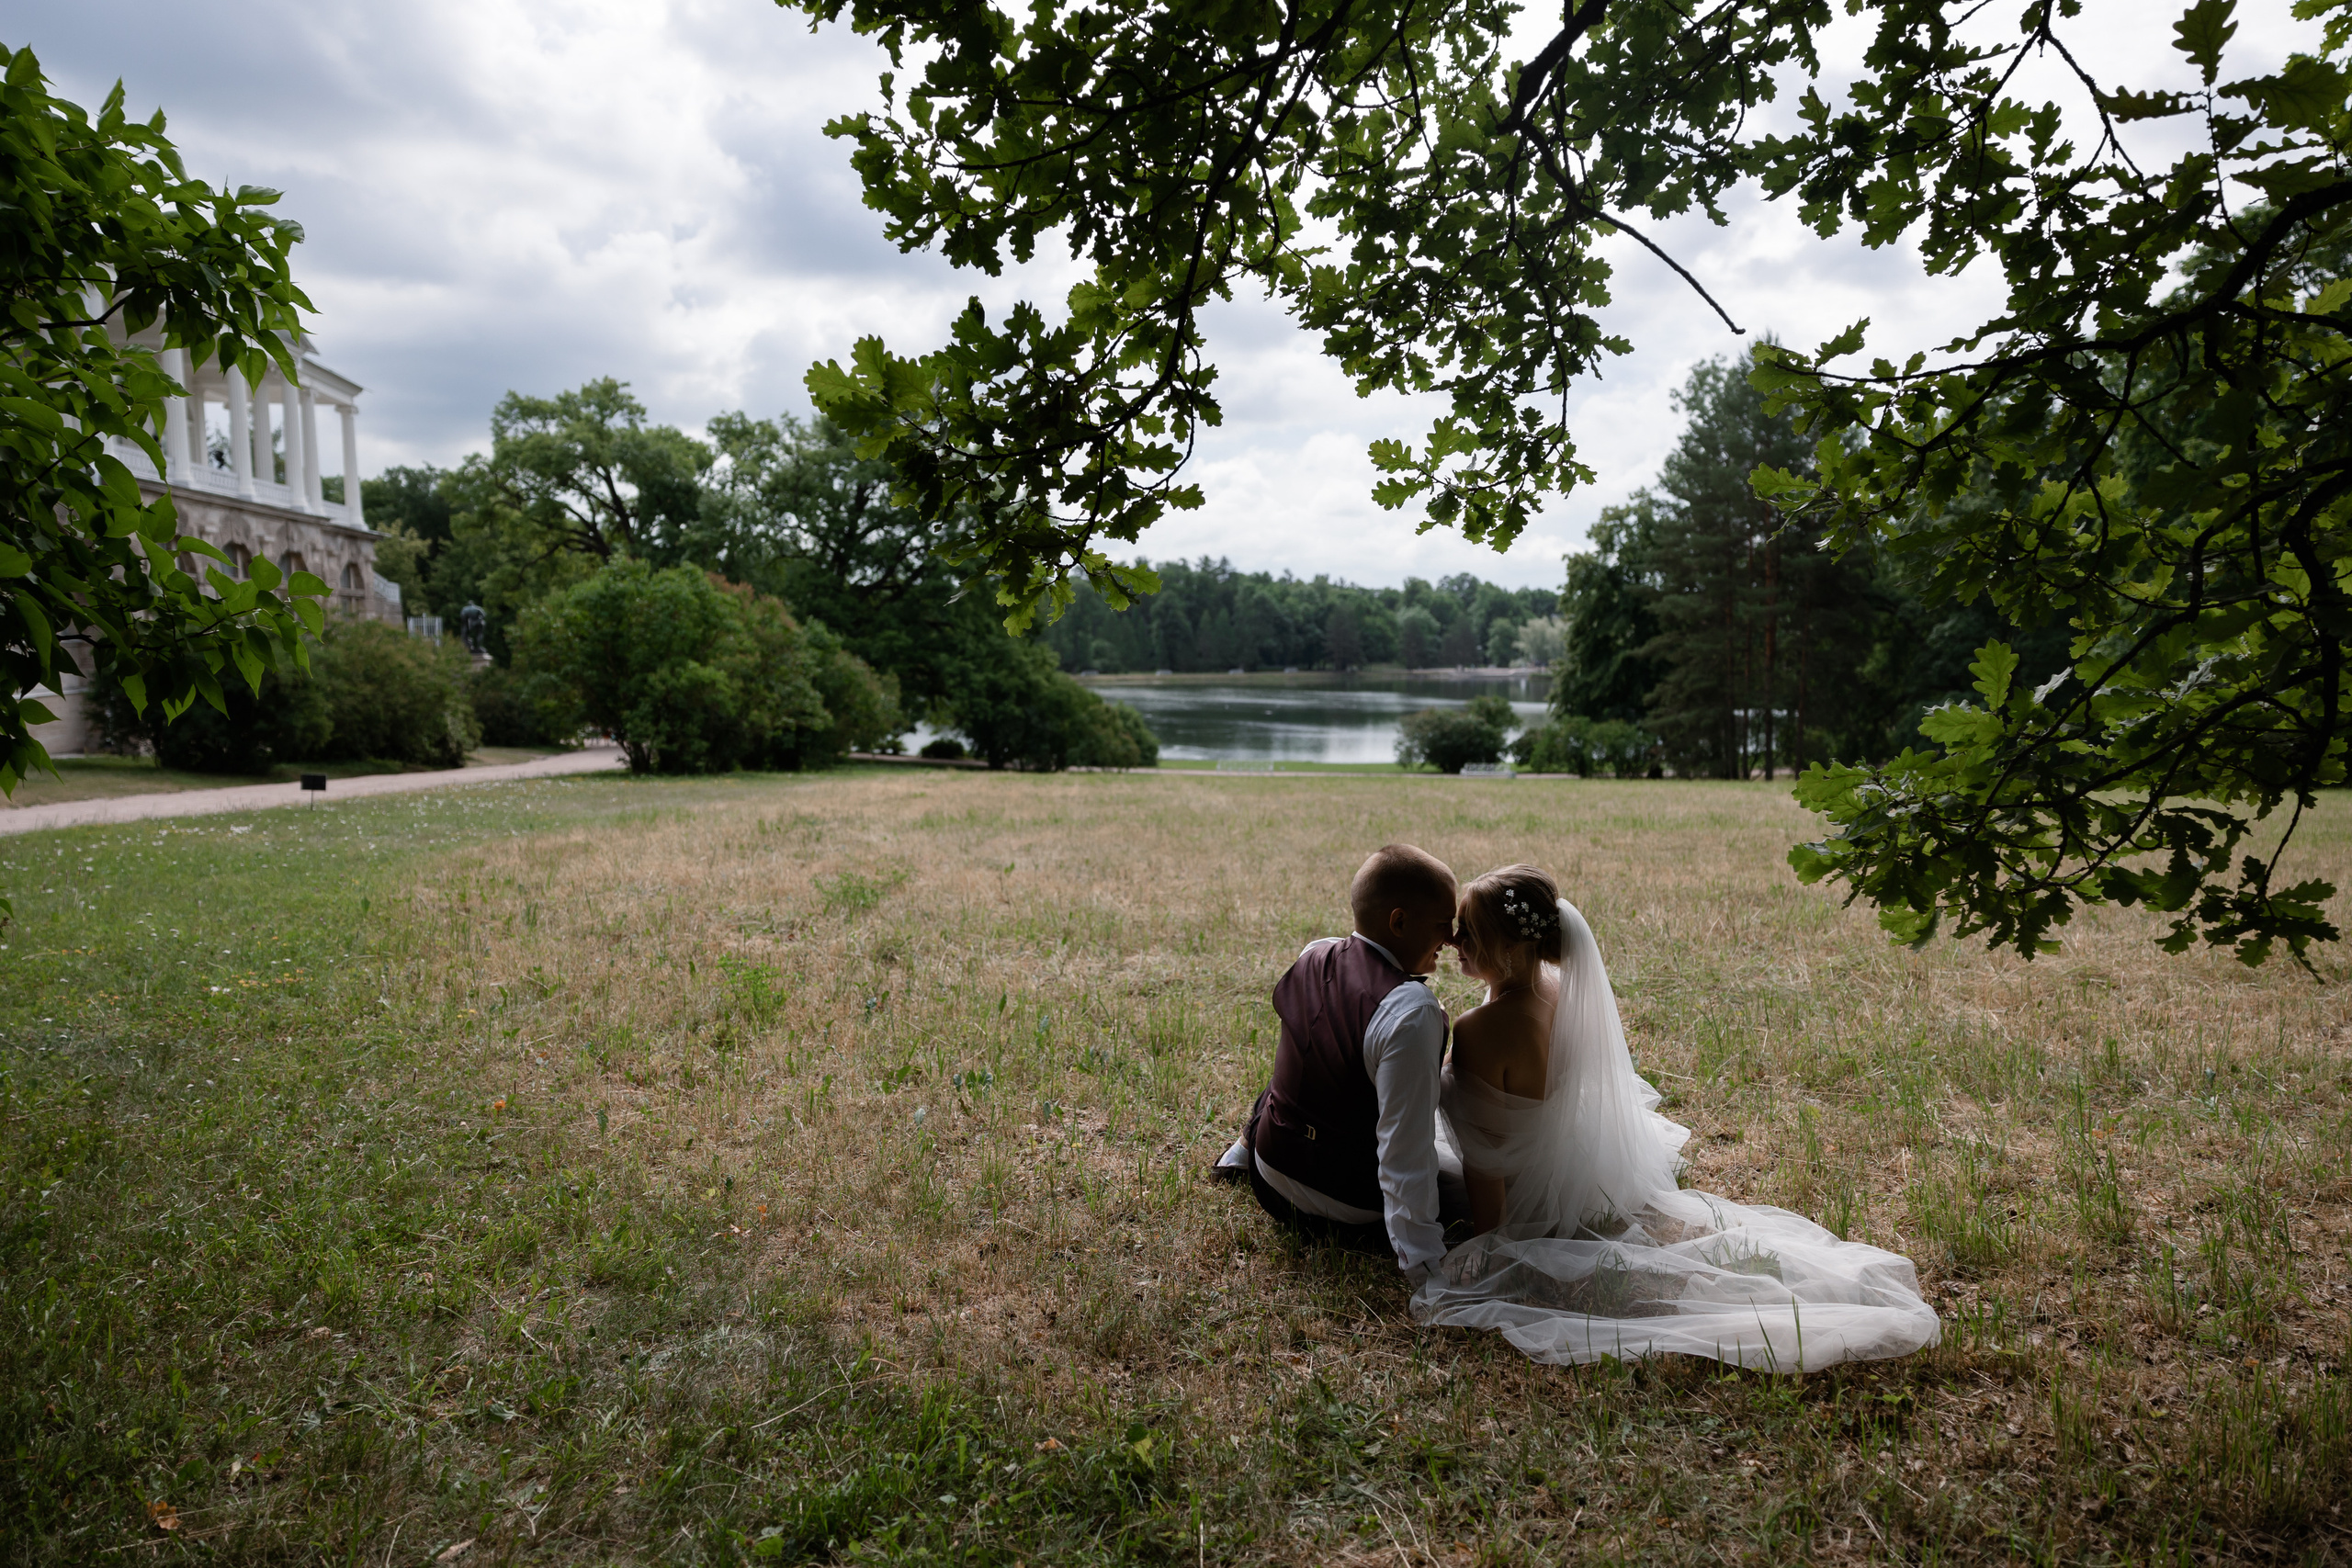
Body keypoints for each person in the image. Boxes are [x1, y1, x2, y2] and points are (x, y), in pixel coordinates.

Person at [1417, 863, 1940, 1371]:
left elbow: (1487, 1161)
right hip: (1572, 1169)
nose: (1456, 940)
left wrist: (1492, 1252)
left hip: (1518, 1193)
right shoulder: (1561, 991)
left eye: (1471, 932)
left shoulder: (1480, 1030)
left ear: (1510, 948)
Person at [1214, 844, 1468, 1279]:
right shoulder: (1412, 1009)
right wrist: (1422, 1262)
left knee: (1297, 1070)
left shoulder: (1315, 952)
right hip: (1346, 1205)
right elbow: (1402, 1150)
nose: (1452, 940)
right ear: (1399, 922)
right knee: (1464, 1189)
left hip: (1268, 1174)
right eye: (1445, 925)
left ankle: (1238, 1153)